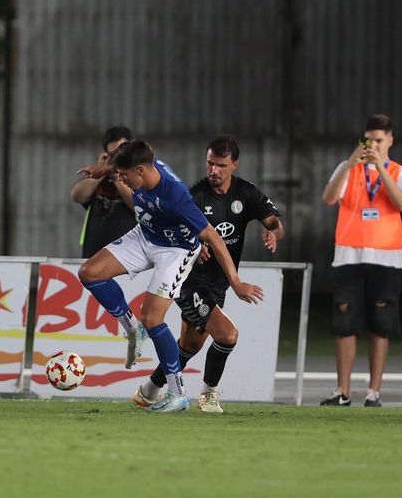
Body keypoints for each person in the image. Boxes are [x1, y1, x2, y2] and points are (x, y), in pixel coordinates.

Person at [75, 139, 265, 413]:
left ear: (140, 171)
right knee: (89, 272)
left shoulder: (176, 197)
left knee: (153, 317)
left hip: (175, 251)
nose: (122, 181)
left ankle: (177, 394)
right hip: (145, 236)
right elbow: (125, 155)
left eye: (125, 176)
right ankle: (132, 328)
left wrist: (236, 283)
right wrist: (101, 170)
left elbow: (213, 237)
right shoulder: (143, 166)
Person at [133, 135, 284, 413]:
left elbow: (275, 221)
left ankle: (149, 390)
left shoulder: (246, 193)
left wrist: (273, 232)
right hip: (189, 280)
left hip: (217, 284)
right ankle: (209, 395)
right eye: (210, 164)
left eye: (221, 165)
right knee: (227, 335)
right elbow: (178, 230)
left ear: (234, 164)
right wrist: (195, 244)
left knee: (189, 346)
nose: (214, 171)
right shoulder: (195, 195)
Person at [318, 114, 402, 408]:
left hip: (386, 257)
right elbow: (329, 198)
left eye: (378, 140)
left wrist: (380, 169)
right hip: (349, 255)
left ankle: (374, 392)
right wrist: (351, 162)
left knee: (380, 324)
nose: (372, 145)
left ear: (390, 141)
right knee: (345, 321)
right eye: (368, 139)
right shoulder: (348, 169)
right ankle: (343, 391)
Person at [70, 126, 137, 258]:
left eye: (121, 152)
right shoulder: (100, 178)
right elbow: (76, 195)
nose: (117, 157)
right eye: (113, 154)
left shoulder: (137, 175)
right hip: (94, 252)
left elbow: (137, 203)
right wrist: (101, 171)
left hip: (127, 254)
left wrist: (117, 175)